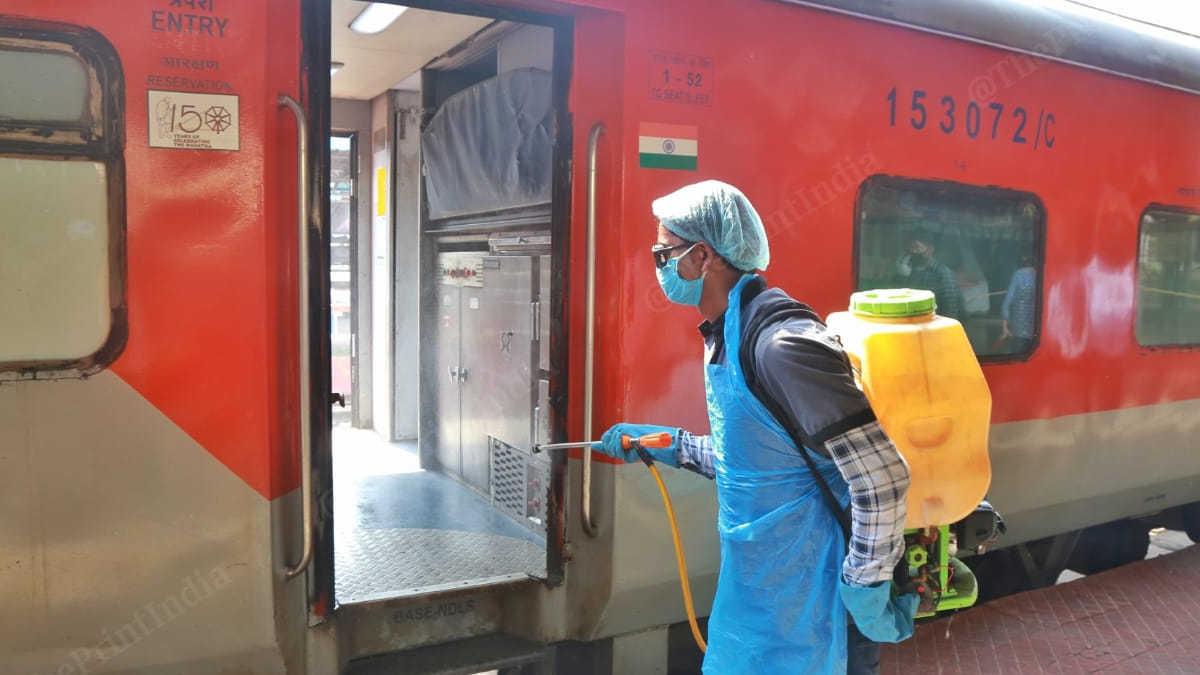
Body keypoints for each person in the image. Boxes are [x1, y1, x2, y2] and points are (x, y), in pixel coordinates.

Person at [592, 180, 917, 674]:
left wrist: (865, 587)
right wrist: (667, 445)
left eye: (664, 253)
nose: (658, 266)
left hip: (820, 608)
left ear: (704, 257)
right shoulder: (728, 335)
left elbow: (882, 477)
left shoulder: (782, 347)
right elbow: (762, 464)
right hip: (764, 601)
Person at [897, 236, 964, 321]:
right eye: (911, 249)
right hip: (916, 324)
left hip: (936, 325)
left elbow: (951, 308)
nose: (914, 252)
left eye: (917, 247)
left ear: (930, 249)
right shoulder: (911, 272)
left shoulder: (942, 273)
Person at [1000, 253, 1036, 353]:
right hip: (1033, 329)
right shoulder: (1038, 275)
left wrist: (1004, 327)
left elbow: (1007, 303)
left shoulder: (1018, 274)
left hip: (1018, 329)